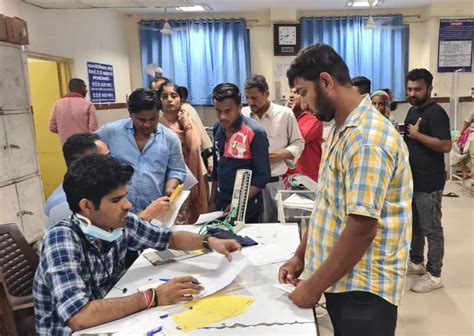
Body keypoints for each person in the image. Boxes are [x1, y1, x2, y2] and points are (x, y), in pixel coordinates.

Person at [279, 44, 413, 336]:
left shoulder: (367, 139)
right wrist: (302, 254)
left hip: (364, 289)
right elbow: (328, 204)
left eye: (303, 92)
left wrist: (312, 287)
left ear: (326, 82)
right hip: (342, 276)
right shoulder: (342, 128)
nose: (301, 102)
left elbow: (362, 228)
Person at [34, 154, 241, 335]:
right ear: (87, 206)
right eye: (116, 200)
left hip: (111, 317)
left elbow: (168, 238)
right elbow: (79, 316)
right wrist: (153, 297)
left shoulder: (118, 223)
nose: (128, 205)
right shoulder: (62, 240)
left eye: (124, 196)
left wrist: (208, 241)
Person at [44, 133, 171, 231]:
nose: (112, 162)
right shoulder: (64, 205)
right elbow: (107, 238)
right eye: (106, 158)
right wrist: (148, 215)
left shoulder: (97, 189)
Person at [96, 88, 186, 213]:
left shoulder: (170, 139)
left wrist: (170, 187)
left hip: (154, 210)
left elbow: (177, 170)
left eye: (153, 119)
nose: (147, 125)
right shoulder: (110, 132)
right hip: (117, 212)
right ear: (130, 113)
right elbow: (88, 155)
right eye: (141, 120)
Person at [403, 68, 452, 293]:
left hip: (429, 182)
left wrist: (418, 135)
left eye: (418, 89)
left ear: (429, 89)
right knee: (416, 225)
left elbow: (446, 145)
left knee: (432, 228)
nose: (413, 92)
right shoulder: (413, 110)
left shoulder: (436, 113)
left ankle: (434, 273)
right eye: (410, 88)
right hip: (413, 180)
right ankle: (416, 261)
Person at [242, 74, 304, 223]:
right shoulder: (243, 115)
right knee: (247, 228)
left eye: (255, 98)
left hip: (273, 183)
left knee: (273, 227)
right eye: (247, 98)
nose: (250, 102)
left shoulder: (284, 114)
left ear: (267, 94)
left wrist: (283, 154)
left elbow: (298, 142)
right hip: (247, 185)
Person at [210, 83, 271, 223]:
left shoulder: (255, 132)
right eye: (218, 111)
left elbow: (263, 176)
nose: (222, 117)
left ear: (239, 108)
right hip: (221, 205)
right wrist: (212, 201)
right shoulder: (217, 128)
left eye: (228, 111)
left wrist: (238, 203)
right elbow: (216, 169)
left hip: (247, 208)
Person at [158, 82, 208, 224]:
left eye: (174, 95)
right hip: (167, 177)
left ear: (181, 99)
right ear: (160, 100)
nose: (169, 99)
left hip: (190, 175)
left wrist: (185, 122)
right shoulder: (157, 123)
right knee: (171, 216)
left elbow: (194, 145)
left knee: (191, 214)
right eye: (164, 96)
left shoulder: (186, 121)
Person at [286, 88, 323, 182]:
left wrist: (287, 113)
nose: (291, 95)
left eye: (296, 93)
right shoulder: (292, 117)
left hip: (306, 177)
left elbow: (297, 139)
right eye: (290, 91)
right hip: (289, 176)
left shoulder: (313, 118)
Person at [177, 85, 214, 175]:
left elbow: (202, 134)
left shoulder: (186, 109)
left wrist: (210, 160)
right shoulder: (158, 116)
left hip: (192, 164)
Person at [49, 78, 98, 144]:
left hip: (67, 146)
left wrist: (64, 131)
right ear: (81, 88)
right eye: (85, 87)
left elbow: (52, 127)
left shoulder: (57, 104)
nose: (86, 90)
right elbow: (93, 130)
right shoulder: (88, 105)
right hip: (85, 146)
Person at [450, 110, 474, 179]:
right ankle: (464, 169)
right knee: (454, 144)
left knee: (473, 141)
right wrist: (458, 135)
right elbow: (466, 122)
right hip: (470, 133)